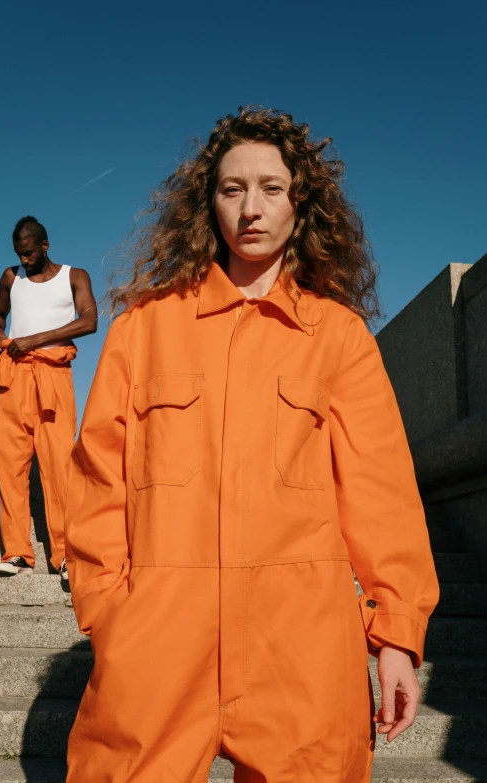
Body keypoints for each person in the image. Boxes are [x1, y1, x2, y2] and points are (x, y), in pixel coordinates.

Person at [65, 108, 439, 782]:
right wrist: (108, 613)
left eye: (272, 187)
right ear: (207, 203)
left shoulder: (339, 335)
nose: (250, 208)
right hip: (157, 643)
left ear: (303, 202)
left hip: (299, 647)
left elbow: (381, 491)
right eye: (231, 188)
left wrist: (396, 637)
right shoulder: (142, 329)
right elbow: (98, 480)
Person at [0, 216, 97, 580]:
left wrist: (34, 339)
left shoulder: (74, 276)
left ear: (45, 245)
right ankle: (17, 551)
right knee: (9, 464)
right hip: (14, 373)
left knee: (59, 467)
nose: (25, 260)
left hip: (52, 375)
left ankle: (65, 556)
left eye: (30, 253)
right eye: (20, 254)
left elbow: (89, 321)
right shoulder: (10, 276)